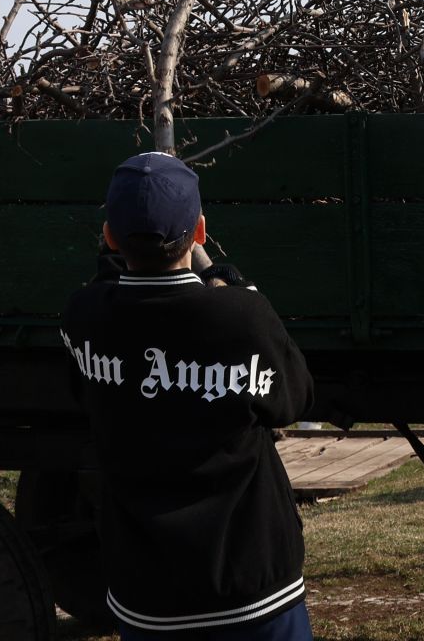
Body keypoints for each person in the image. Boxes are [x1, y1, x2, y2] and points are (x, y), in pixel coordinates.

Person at [62, 152, 315, 639]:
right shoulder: (242, 317)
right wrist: (234, 282)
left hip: (147, 593)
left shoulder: (84, 314)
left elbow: (83, 388)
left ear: (111, 237)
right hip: (252, 590)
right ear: (199, 231)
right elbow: (296, 398)